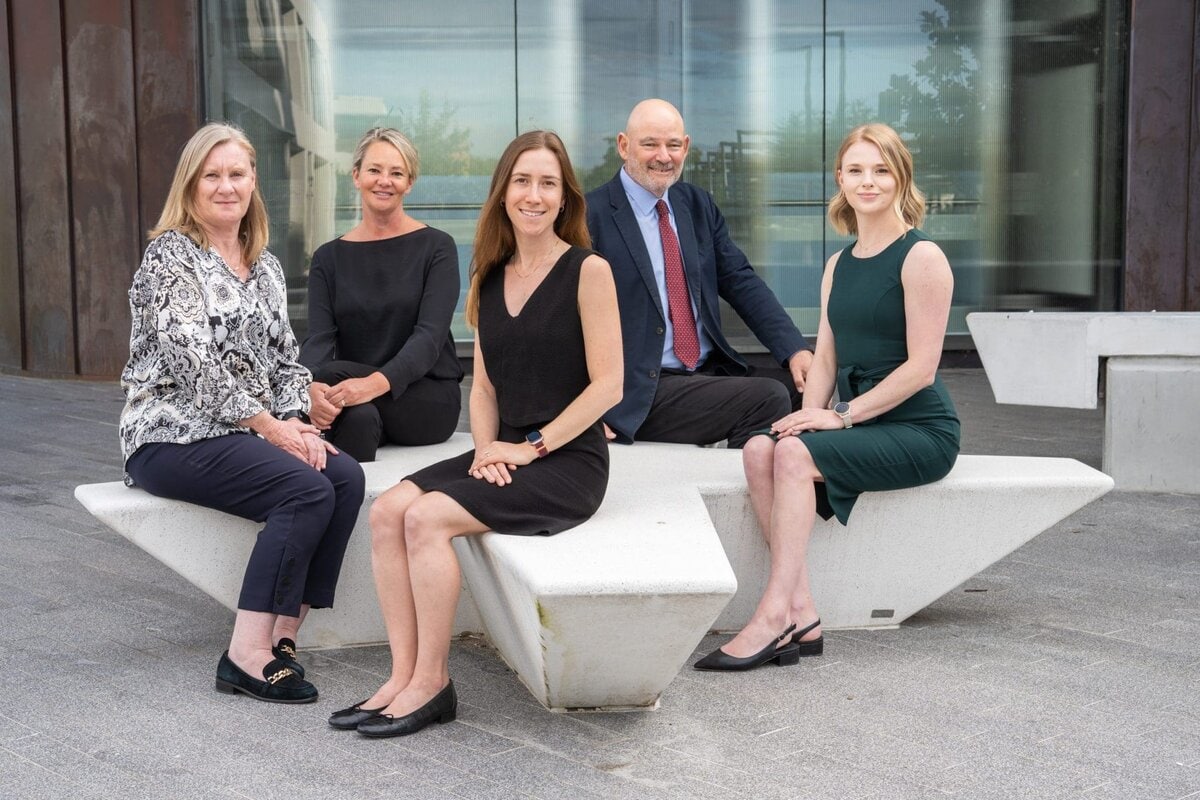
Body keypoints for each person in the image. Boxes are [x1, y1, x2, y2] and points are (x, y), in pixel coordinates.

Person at [328, 131, 622, 737]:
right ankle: (402, 676)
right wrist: (489, 449)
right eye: (522, 181)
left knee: (427, 517)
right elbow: (483, 389)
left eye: (547, 183)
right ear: (503, 192)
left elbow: (608, 387)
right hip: (504, 451)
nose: (533, 195)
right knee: (388, 511)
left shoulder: (588, 271)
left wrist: (529, 447)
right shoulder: (489, 277)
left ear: (564, 197)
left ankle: (432, 684)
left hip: (567, 461)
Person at [694, 123, 960, 671]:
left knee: (792, 453)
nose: (869, 182)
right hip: (862, 423)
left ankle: (773, 615)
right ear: (840, 178)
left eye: (881, 170)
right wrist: (805, 417)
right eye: (856, 170)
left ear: (900, 177)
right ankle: (803, 611)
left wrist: (841, 416)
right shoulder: (839, 264)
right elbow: (828, 358)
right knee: (761, 448)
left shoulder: (922, 257)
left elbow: (923, 369)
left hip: (919, 429)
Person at [119, 122, 366, 701]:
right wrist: (273, 429)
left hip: (246, 427)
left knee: (344, 476)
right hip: (170, 431)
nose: (226, 186)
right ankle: (244, 655)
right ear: (192, 184)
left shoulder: (266, 265)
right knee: (303, 490)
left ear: (254, 181)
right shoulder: (171, 256)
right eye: (213, 175)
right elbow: (194, 368)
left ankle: (283, 633)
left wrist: (297, 422)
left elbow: (284, 361)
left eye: (237, 174)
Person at [586, 98, 814, 449]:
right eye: (650, 144)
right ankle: (749, 489)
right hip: (640, 389)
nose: (663, 156)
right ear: (623, 145)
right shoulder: (590, 216)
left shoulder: (696, 205)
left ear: (686, 147)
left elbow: (740, 280)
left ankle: (794, 495)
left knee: (811, 392)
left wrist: (795, 350)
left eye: (673, 145)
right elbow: (564, 317)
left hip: (705, 373)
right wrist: (583, 408)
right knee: (768, 399)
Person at [300, 127, 463, 463]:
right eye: (374, 170)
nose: (384, 181)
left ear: (410, 182)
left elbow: (429, 339)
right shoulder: (328, 258)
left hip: (424, 398)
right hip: (354, 397)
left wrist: (371, 384)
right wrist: (308, 386)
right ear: (356, 175)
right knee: (358, 418)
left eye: (397, 173)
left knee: (334, 379)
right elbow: (319, 338)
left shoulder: (437, 248)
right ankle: (346, 506)